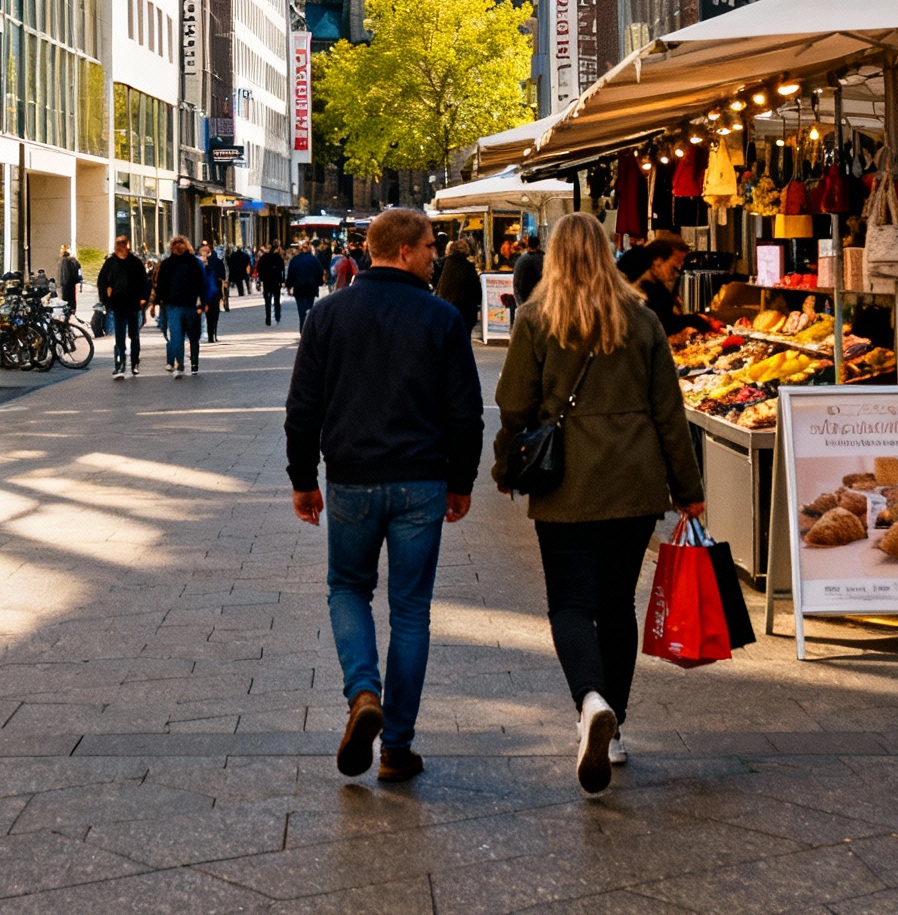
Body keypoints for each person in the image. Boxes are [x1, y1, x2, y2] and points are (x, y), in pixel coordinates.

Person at [493, 213, 705, 797]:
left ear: (555, 256)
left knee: (570, 603)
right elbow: (669, 411)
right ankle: (614, 730)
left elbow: (514, 406)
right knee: (616, 606)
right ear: (608, 253)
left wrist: (506, 467)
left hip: (566, 485)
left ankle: (589, 701)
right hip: (634, 484)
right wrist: (688, 490)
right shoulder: (641, 317)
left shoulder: (537, 318)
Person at [286, 206, 482, 785]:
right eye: (430, 246)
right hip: (421, 480)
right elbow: (465, 412)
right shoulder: (441, 318)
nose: (435, 256)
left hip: (351, 478)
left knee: (348, 588)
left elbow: (303, 407)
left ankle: (363, 691)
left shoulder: (328, 314)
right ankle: (396, 746)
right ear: (403, 251)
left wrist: (303, 478)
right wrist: (462, 480)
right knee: (411, 610)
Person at [632, 236, 713, 338]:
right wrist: (693, 321)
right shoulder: (638, 291)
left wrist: (695, 320)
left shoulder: (658, 287)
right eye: (674, 268)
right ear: (657, 262)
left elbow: (667, 320)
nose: (675, 274)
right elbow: (660, 327)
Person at [153, 234, 209, 375]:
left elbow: (202, 283)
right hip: (173, 305)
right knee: (176, 335)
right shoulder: (167, 264)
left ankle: (194, 362)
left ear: (186, 246)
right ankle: (180, 364)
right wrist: (158, 301)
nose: (178, 247)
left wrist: (203, 302)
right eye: (176, 245)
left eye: (181, 244)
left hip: (190, 305)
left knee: (193, 335)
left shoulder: (194, 263)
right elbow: (161, 284)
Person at [98, 233, 151, 378]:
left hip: (133, 304)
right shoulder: (110, 263)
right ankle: (120, 364)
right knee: (119, 337)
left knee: (134, 335)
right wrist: (106, 299)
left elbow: (144, 282)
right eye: (118, 244)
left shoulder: (135, 262)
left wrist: (143, 299)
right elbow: (102, 282)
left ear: (127, 246)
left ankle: (134, 362)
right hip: (117, 304)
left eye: (123, 244)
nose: (120, 247)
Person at [434, 236, 483, 337]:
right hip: (466, 311)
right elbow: (476, 291)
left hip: (446, 308)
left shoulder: (443, 264)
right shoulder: (468, 266)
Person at [285, 240, 326, 328]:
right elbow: (320, 271)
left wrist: (289, 286)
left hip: (299, 288)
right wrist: (319, 282)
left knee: (301, 309)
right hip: (311, 287)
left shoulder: (295, 260)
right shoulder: (314, 259)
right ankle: (308, 327)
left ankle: (303, 327)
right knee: (309, 307)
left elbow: (291, 273)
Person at [257, 243, 287, 325]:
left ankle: (268, 318)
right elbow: (282, 270)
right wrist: (282, 280)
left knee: (267, 301)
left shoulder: (264, 258)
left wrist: (262, 278)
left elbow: (259, 268)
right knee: (277, 300)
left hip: (267, 282)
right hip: (276, 281)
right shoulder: (278, 257)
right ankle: (277, 316)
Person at [511, 234, 545, 306]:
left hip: (525, 302)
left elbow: (516, 284)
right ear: (539, 245)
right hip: (542, 302)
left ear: (528, 245)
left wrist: (521, 304)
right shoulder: (544, 259)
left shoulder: (521, 260)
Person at [58, 246, 83, 317]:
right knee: (72, 297)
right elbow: (79, 269)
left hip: (65, 283)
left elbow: (63, 274)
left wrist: (62, 283)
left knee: (66, 297)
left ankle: (67, 311)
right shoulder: (73, 260)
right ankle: (72, 310)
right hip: (72, 282)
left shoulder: (63, 261)